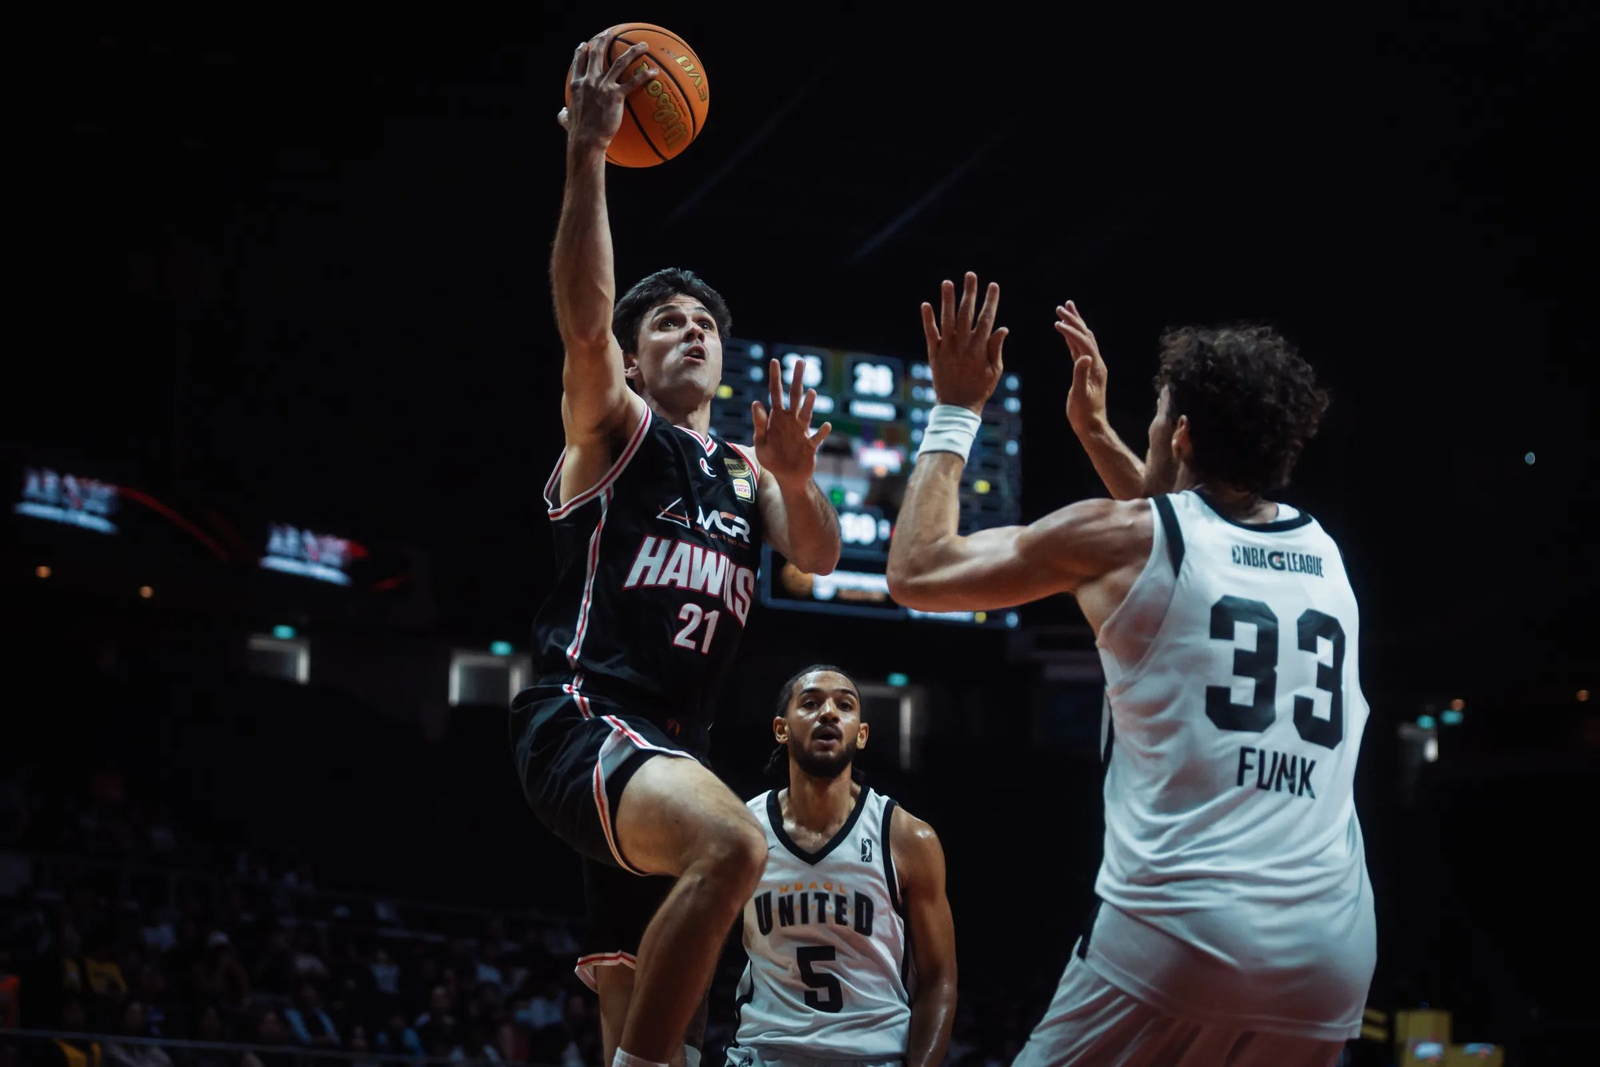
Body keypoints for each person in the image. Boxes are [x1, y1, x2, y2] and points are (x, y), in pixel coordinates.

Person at [886, 277, 1374, 1066]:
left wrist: (957, 409)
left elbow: (917, 571)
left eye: (1156, 413)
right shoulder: (1324, 555)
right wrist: (1098, 435)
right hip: (1331, 956)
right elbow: (1188, 547)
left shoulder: (1125, 537)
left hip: (1184, 929)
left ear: (1179, 435)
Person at [511, 27, 843, 1067]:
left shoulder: (749, 469)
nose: (690, 331)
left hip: (671, 752)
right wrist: (588, 154)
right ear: (637, 356)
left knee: (645, 1008)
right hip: (585, 721)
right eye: (666, 324)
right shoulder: (617, 429)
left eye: (705, 323)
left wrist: (792, 475)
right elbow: (582, 321)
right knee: (736, 841)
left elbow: (821, 558)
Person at [727, 666, 957, 1067]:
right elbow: (697, 962)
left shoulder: (907, 838)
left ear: (861, 734)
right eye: (812, 703)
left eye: (844, 705)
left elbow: (940, 978)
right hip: (765, 1054)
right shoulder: (741, 833)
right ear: (781, 729)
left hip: (874, 1056)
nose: (829, 713)